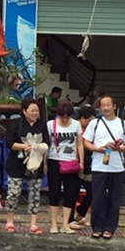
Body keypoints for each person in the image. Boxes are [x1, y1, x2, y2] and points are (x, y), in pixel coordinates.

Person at [83, 96, 125, 240]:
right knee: (97, 198)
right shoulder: (95, 123)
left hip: (117, 167)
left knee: (114, 199)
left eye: (108, 105)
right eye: (102, 106)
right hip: (99, 166)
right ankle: (97, 227)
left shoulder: (124, 124)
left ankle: (110, 228)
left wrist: (119, 148)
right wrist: (97, 149)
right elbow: (86, 141)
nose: (105, 108)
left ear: (114, 106)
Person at [4, 98, 50, 235]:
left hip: (36, 164)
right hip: (16, 163)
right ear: (24, 111)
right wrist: (26, 147)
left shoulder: (42, 125)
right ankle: (10, 221)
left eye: (37, 110)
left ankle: (33, 223)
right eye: (32, 110)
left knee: (35, 193)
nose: (35, 113)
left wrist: (44, 161)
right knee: (14, 192)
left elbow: (46, 144)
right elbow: (9, 143)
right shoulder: (15, 124)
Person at [46, 100, 83, 235]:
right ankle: (54, 224)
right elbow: (46, 144)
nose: (65, 119)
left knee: (71, 194)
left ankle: (65, 224)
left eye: (68, 116)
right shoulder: (51, 124)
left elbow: (79, 143)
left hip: (71, 162)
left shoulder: (77, 124)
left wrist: (81, 162)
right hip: (54, 161)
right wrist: (44, 162)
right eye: (63, 116)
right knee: (54, 194)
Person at [68, 105, 97, 230]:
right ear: (83, 119)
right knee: (72, 193)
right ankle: (69, 220)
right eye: (90, 120)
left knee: (92, 192)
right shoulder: (75, 129)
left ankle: (80, 213)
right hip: (75, 165)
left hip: (88, 166)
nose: (92, 123)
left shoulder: (92, 131)